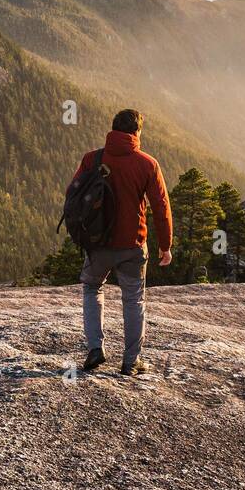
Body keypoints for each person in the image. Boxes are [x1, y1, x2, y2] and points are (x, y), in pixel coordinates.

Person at [71, 109, 173, 375]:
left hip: (97, 244)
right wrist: (166, 246)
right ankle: (131, 361)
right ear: (137, 132)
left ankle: (96, 348)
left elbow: (74, 197)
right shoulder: (147, 164)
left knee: (93, 288)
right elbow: (161, 208)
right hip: (132, 244)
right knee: (133, 299)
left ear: (113, 130)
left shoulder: (92, 159)